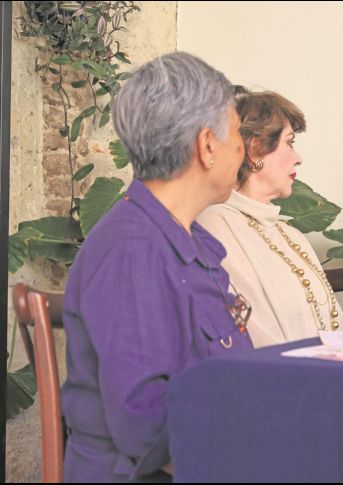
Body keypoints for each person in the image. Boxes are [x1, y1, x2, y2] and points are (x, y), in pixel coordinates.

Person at [61, 52, 254, 482]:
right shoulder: (132, 251)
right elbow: (146, 427)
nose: (243, 152)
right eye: (239, 135)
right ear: (207, 146)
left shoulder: (185, 239)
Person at [197, 88, 343, 347]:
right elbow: (248, 337)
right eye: (289, 143)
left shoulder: (291, 234)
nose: (298, 158)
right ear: (255, 149)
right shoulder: (213, 225)